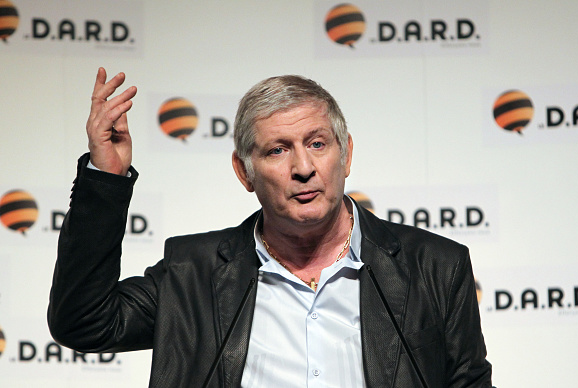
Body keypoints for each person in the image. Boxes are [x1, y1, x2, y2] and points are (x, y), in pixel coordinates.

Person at [48, 68, 492, 387]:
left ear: (346, 154)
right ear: (244, 172)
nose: (303, 167)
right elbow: (84, 323)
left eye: (317, 144)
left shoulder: (434, 267)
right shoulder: (194, 274)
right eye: (278, 150)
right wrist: (105, 180)